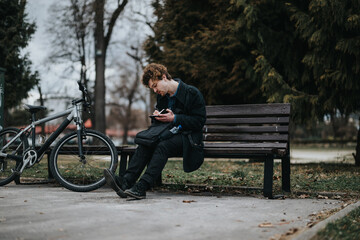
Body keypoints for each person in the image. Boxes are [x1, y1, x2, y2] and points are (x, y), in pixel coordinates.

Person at [104, 63, 206, 199]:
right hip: (167, 134)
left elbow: (199, 122)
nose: (155, 90)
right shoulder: (162, 97)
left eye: (155, 86)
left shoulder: (191, 93)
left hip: (188, 138)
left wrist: (175, 118)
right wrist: (157, 117)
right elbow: (158, 125)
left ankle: (142, 186)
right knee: (146, 142)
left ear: (164, 77)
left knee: (163, 146)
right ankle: (125, 182)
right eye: (152, 88)